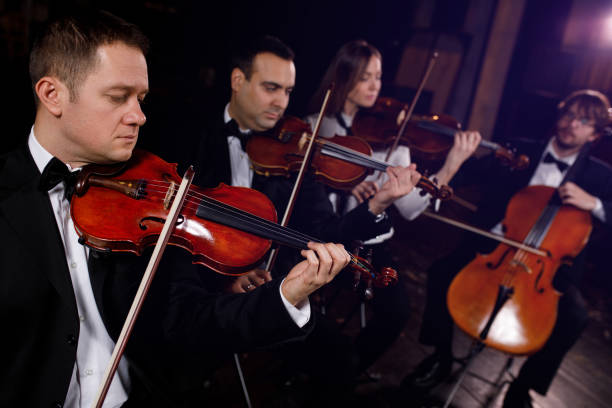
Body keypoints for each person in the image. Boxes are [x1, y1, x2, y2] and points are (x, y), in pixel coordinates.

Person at [0, 11, 353, 407]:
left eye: (141, 99)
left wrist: (287, 295)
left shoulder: (149, 196)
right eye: (118, 97)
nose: (138, 116)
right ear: (52, 95)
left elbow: (188, 322)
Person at [191, 35, 421, 403]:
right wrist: (224, 279)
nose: (281, 102)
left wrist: (378, 202)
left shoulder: (295, 153)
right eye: (270, 88)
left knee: (340, 359)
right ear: (237, 81)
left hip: (275, 286)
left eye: (287, 90)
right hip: (202, 288)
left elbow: (328, 230)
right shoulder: (194, 138)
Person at [401, 89, 612, 408]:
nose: (572, 124)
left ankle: (522, 388)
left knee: (575, 317)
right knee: (441, 272)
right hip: (494, 247)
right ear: (559, 115)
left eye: (584, 121)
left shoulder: (600, 175)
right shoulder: (516, 150)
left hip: (549, 267)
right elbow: (469, 174)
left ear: (595, 134)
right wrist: (452, 159)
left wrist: (594, 202)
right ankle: (439, 357)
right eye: (569, 114)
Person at [304, 39, 481, 374]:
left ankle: (347, 373)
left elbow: (412, 209)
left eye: (379, 77)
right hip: (328, 237)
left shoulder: (394, 139)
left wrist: (452, 164)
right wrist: (342, 183)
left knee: (398, 312)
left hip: (370, 244)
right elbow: (302, 190)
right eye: (365, 77)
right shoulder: (316, 125)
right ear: (344, 78)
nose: (375, 87)